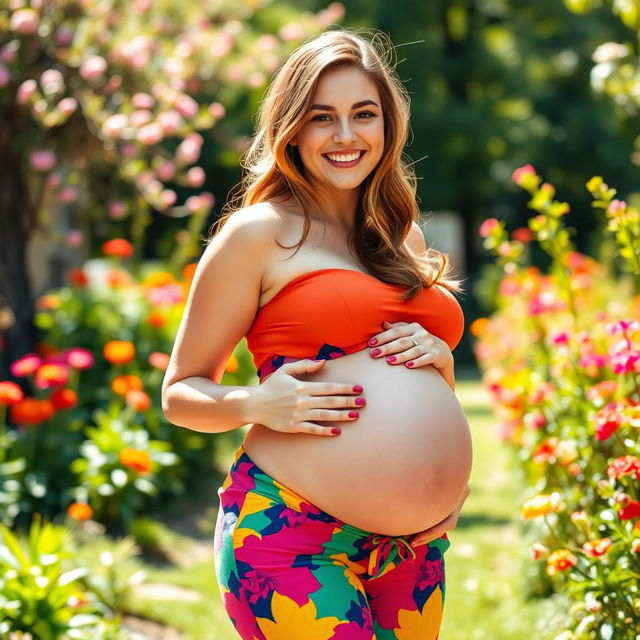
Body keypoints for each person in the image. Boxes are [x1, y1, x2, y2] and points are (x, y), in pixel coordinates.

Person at [162, 28, 473, 640]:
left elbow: (411, 382)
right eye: (322, 117)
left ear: (388, 125)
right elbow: (180, 392)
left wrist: (440, 364)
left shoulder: (400, 237)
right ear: (292, 128)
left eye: (364, 114)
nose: (346, 135)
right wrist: (255, 403)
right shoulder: (258, 234)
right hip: (290, 534)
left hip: (411, 546)